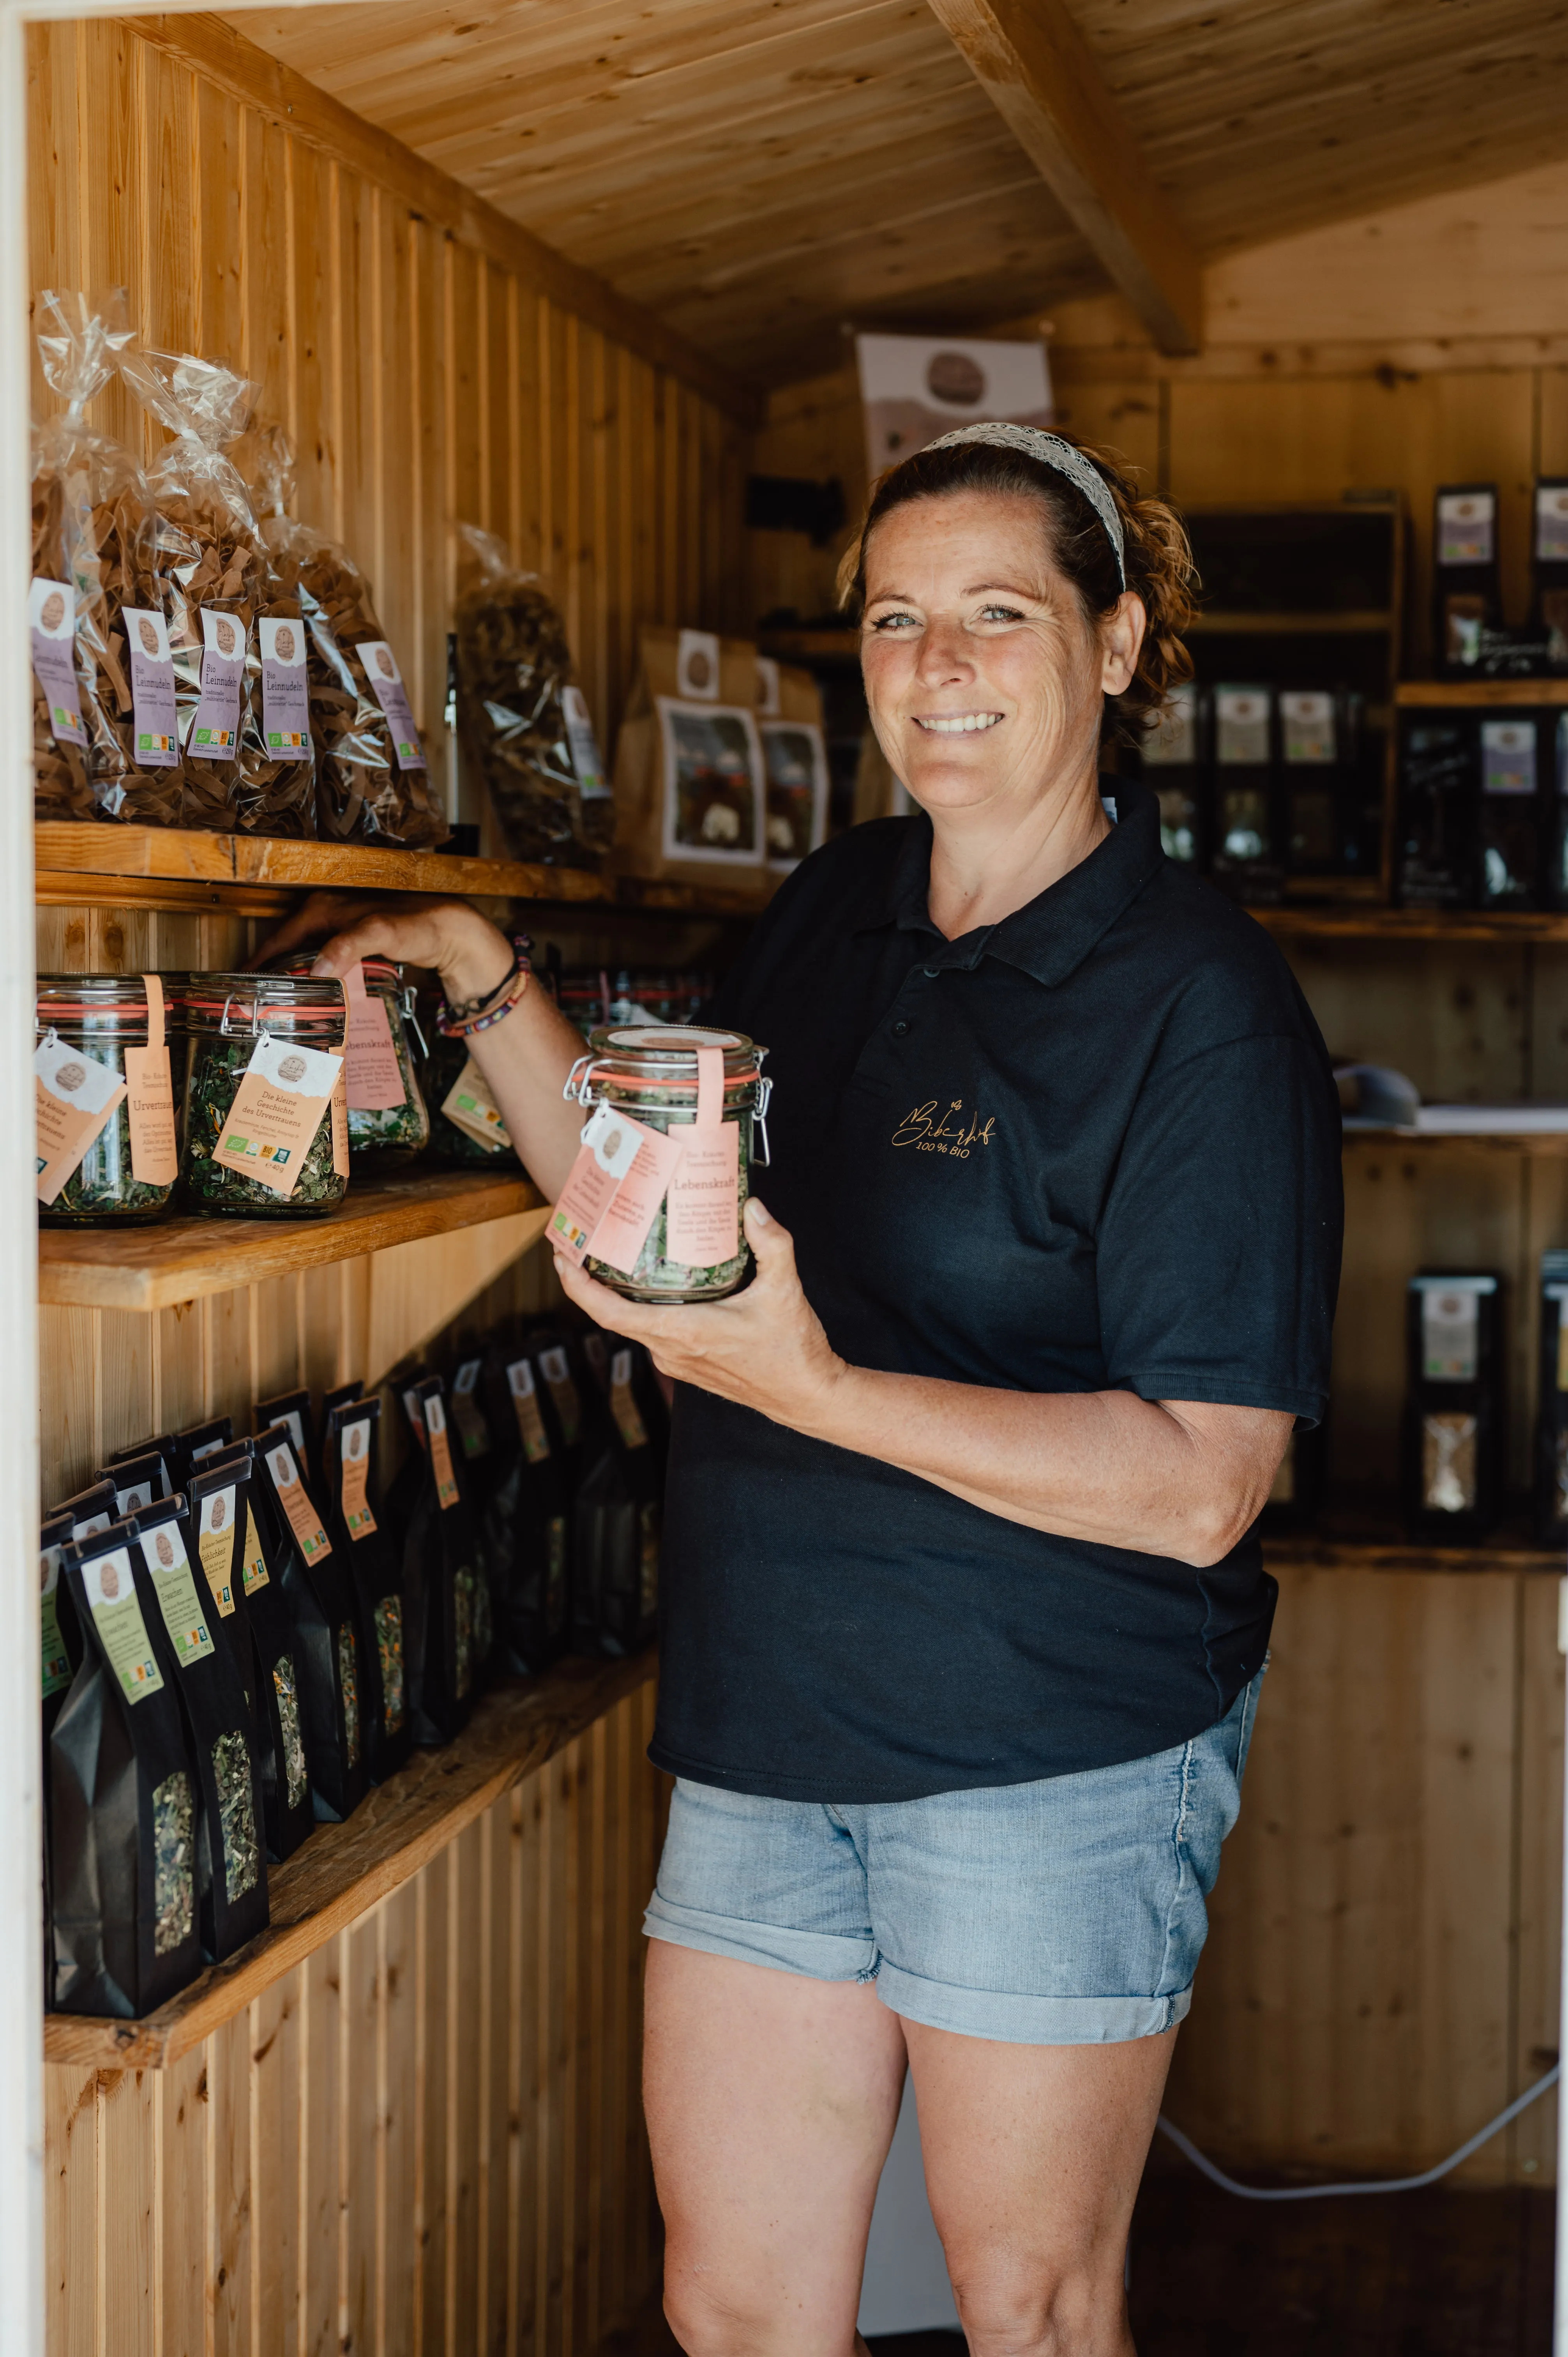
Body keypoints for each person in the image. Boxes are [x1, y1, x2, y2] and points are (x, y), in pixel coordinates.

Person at [277, 423, 1342, 2357]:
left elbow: (1203, 1482)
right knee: (738, 2309)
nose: (938, 666)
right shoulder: (838, 907)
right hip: (770, 1732)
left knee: (1029, 2310)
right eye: (895, 620)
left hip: (1047, 1756)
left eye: (998, 614)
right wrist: (479, 970)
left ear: (1114, 646)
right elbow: (647, 1212)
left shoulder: (1201, 1006)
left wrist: (814, 1384)